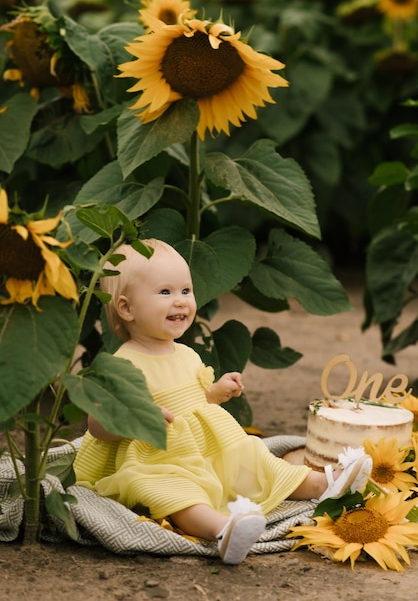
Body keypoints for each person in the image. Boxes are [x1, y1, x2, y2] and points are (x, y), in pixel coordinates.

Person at [74, 239, 372, 565]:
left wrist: (215, 392)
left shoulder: (186, 353)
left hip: (208, 447)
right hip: (159, 456)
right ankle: (224, 529)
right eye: (165, 293)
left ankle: (319, 484)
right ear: (127, 308)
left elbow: (189, 396)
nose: (181, 302)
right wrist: (135, 419)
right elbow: (96, 424)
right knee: (175, 493)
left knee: (254, 458)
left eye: (186, 291)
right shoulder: (123, 363)